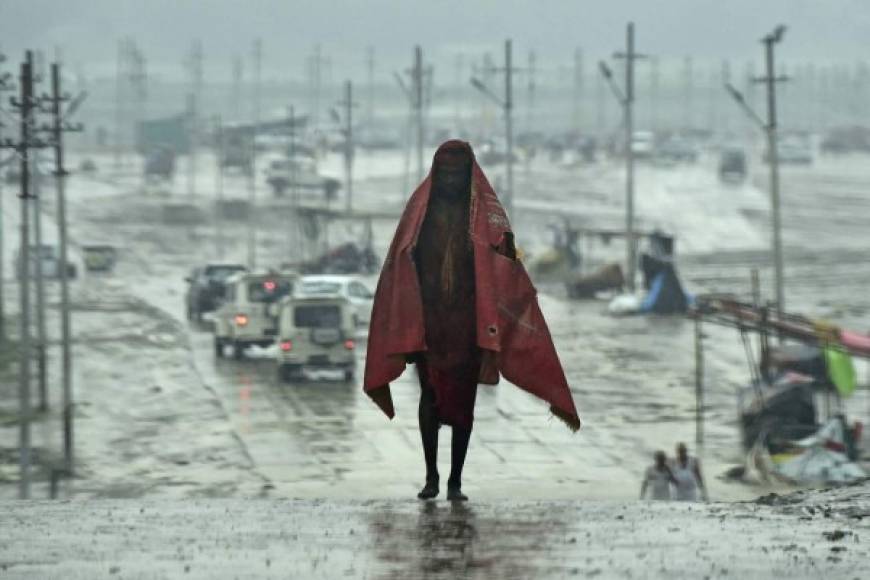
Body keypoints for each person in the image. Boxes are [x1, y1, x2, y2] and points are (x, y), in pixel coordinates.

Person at [364, 140, 581, 502]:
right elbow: (399, 260)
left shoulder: (486, 214)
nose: (450, 182)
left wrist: (508, 268)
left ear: (468, 174)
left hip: (468, 326)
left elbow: (507, 263)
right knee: (430, 397)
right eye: (444, 174)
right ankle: (432, 476)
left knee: (463, 403)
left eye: (457, 174)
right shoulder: (419, 211)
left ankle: (455, 482)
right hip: (429, 324)